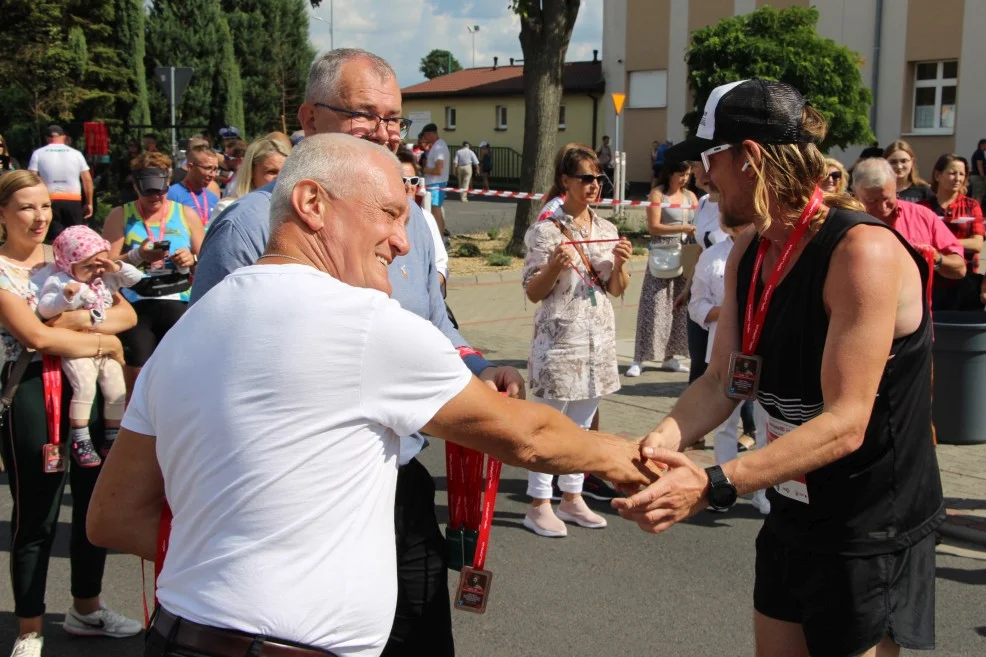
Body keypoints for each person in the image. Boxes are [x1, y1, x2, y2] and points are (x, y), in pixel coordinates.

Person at [86, 133, 657, 657]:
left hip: (178, 638)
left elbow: (111, 517)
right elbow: (528, 436)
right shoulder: (364, 323)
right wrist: (641, 463)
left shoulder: (195, 322)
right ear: (311, 203)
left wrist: (232, 558)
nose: (402, 243)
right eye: (388, 214)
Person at [189, 48, 526, 657]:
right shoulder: (246, 227)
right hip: (295, 502)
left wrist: (480, 368)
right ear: (309, 118)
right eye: (363, 115)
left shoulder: (413, 220)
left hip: (398, 484)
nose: (384, 132)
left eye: (393, 118)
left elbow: (434, 326)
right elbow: (208, 363)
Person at [615, 79, 944, 657]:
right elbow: (722, 379)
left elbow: (846, 422)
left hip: (867, 523)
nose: (700, 176)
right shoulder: (751, 248)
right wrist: (656, 446)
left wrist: (714, 483)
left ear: (752, 158)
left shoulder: (860, 253)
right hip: (793, 499)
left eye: (709, 159)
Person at [0, 171, 141, 657]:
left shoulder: (67, 256)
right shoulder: (2, 271)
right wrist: (101, 337)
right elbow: (35, 337)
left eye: (43, 206)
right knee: (36, 514)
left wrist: (73, 321)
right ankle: (30, 627)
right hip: (34, 392)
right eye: (25, 207)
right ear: (2, 214)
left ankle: (87, 607)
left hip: (91, 391)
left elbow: (128, 313)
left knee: (90, 502)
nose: (38, 216)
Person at [521, 143, 633, 537]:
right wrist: (553, 265)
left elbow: (616, 288)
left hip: (598, 339)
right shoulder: (545, 231)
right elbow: (534, 292)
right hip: (560, 339)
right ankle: (538, 503)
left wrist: (620, 263)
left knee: (582, 426)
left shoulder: (606, 229)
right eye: (585, 178)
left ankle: (571, 497)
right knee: (549, 425)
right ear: (565, 182)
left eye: (598, 178)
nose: (594, 185)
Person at [36, 226, 143, 467]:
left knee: (117, 387)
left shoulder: (104, 278)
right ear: (68, 265)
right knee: (84, 386)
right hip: (78, 346)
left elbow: (137, 280)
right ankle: (80, 438)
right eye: (87, 267)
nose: (95, 270)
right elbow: (45, 310)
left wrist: (116, 267)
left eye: (98, 264)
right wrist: (66, 297)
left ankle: (112, 435)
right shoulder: (60, 280)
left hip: (105, 347)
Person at [687, 220, 771, 515]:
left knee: (766, 423)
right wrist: (728, 311)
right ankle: (723, 488)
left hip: (764, 350)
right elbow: (696, 306)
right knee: (724, 425)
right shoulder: (711, 256)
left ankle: (763, 491)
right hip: (725, 352)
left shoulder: (771, 249)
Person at [102, 152, 203, 392]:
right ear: (136, 186)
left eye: (161, 190)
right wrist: (138, 256)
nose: (156, 197)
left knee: (179, 376)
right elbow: (104, 265)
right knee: (138, 378)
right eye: (148, 191)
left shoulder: (185, 213)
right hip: (138, 303)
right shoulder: (120, 215)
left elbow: (207, 259)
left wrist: (191, 258)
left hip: (177, 300)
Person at [626, 159, 697, 377]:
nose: (684, 178)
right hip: (663, 253)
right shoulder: (657, 194)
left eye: (687, 174)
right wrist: (683, 227)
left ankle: (670, 357)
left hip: (684, 252)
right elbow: (653, 226)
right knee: (653, 305)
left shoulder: (690, 196)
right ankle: (639, 357)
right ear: (670, 174)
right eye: (681, 174)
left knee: (678, 306)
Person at [852, 158, 966, 283]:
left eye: (887, 198)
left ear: (895, 187)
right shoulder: (845, 222)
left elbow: (960, 269)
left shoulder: (922, 216)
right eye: (872, 201)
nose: (882, 208)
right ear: (855, 192)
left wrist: (937, 259)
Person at [920, 153, 985, 311]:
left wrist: (938, 245)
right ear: (937, 175)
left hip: (966, 282)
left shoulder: (971, 206)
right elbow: (918, 242)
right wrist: (960, 244)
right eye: (952, 173)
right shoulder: (923, 207)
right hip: (930, 282)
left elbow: (976, 244)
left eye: (962, 174)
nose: (957, 178)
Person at [27, 125, 94, 242]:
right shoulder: (76, 154)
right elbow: (87, 179)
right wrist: (89, 203)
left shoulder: (38, 153)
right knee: (76, 237)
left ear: (47, 138)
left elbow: (31, 178)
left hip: (49, 199)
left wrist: (33, 202)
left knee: (56, 238)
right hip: (73, 199)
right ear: (63, 137)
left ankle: (56, 259)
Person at [397, 148, 448, 290]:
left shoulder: (427, 218)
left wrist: (429, 290)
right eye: (403, 180)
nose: (409, 186)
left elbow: (440, 264)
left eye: (413, 180)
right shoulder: (380, 220)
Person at [210, 137, 290, 220]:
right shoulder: (228, 209)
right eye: (272, 172)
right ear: (251, 171)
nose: (280, 178)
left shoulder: (293, 211)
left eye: (285, 172)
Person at [167, 144, 219, 227]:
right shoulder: (172, 195)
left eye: (215, 169)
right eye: (208, 168)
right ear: (190, 167)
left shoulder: (213, 198)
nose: (213, 174)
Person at [419, 124, 450, 237]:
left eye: (425, 136)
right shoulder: (437, 145)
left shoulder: (438, 147)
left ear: (430, 134)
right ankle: (438, 236)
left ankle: (440, 237)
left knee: (435, 210)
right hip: (434, 183)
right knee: (434, 210)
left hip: (435, 183)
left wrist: (424, 169)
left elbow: (438, 169)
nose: (424, 139)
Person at [969, 138, 986, 202]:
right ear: (982, 144)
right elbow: (979, 165)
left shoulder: (977, 152)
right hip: (977, 177)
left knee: (976, 194)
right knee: (978, 195)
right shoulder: (979, 153)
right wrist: (982, 175)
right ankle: (976, 210)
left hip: (975, 176)